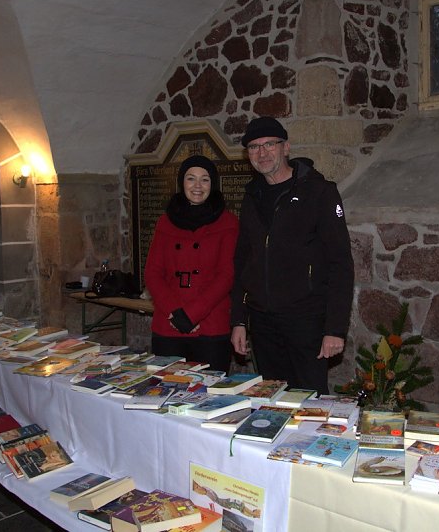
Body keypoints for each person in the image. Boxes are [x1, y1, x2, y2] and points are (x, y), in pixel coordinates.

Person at [230, 116, 354, 395]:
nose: (262, 153)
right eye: (253, 147)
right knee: (272, 402)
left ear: (286, 148)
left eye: (269, 144)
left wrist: (335, 327)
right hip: (263, 324)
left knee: (310, 402)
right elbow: (242, 262)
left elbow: (340, 264)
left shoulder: (320, 192)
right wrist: (238, 320)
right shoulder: (252, 197)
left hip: (306, 321)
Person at [144, 155, 239, 372]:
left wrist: (192, 314)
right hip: (169, 324)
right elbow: (153, 273)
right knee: (166, 393)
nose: (198, 186)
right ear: (182, 183)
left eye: (205, 179)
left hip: (210, 326)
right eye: (191, 178)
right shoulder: (165, 221)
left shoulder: (229, 222)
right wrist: (176, 313)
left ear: (212, 184)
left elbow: (226, 275)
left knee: (209, 397)